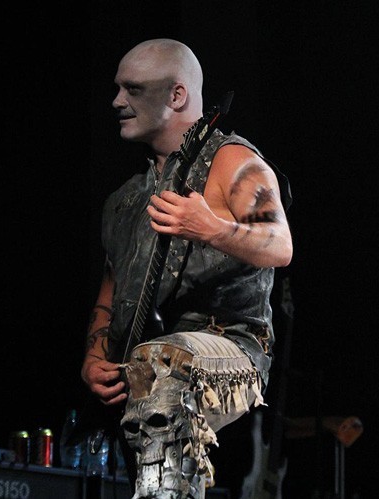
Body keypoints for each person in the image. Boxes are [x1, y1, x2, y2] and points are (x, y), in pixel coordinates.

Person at [80, 38, 293, 498]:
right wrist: (94, 359)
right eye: (117, 88)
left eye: (133, 89)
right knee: (154, 370)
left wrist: (211, 227)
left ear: (177, 95)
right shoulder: (124, 201)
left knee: (163, 363)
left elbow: (280, 244)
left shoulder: (232, 161)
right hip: (146, 366)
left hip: (231, 346)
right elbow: (110, 291)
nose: (117, 101)